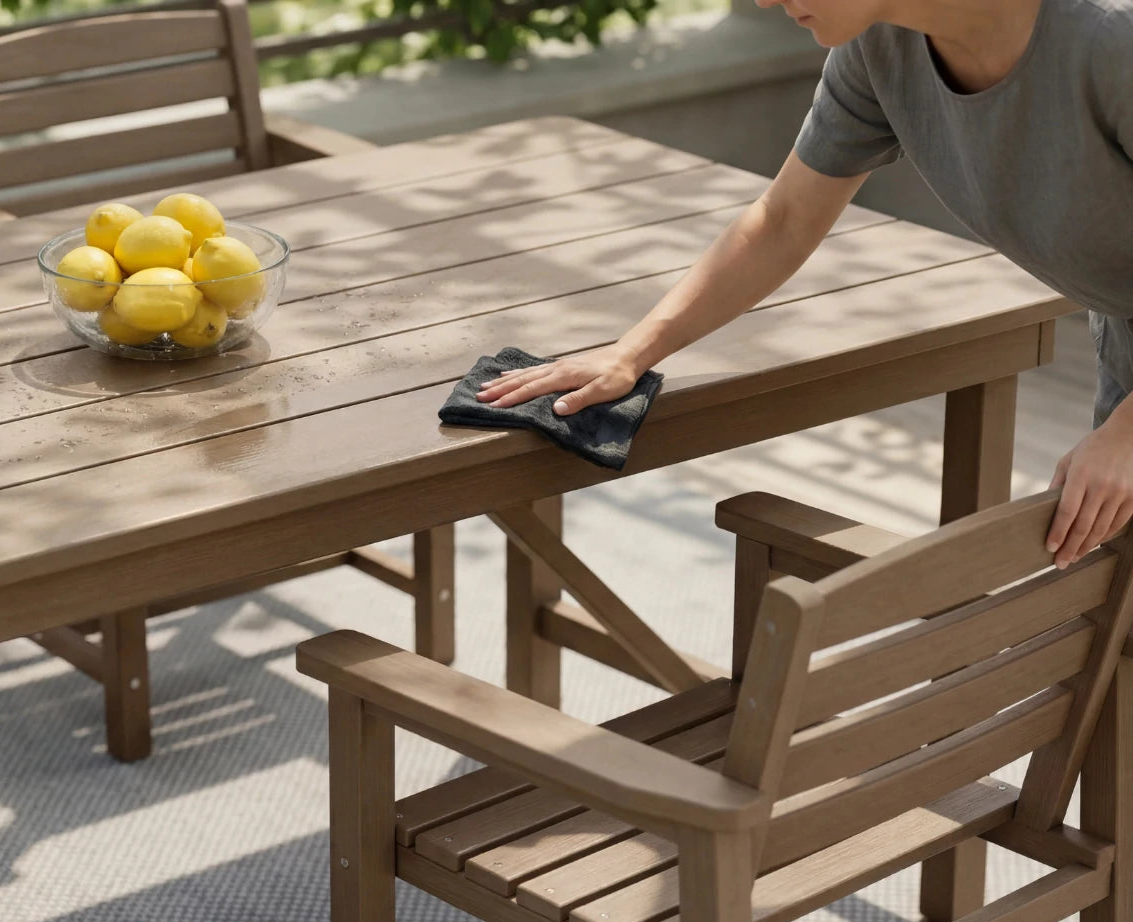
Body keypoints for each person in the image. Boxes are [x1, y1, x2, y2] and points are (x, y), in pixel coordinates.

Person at [477, 0, 1133, 571]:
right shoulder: (880, 48)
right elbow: (783, 220)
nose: (762, 0)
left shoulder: (1110, 38)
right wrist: (632, 351)